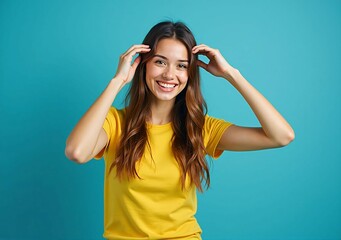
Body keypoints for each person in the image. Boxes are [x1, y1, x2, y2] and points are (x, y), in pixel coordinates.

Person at [65, 21, 294, 240]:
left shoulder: (200, 129)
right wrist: (117, 81)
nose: (169, 75)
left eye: (182, 66)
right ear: (142, 63)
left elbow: (281, 136)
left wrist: (231, 74)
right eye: (160, 62)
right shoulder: (115, 123)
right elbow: (77, 152)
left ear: (190, 73)